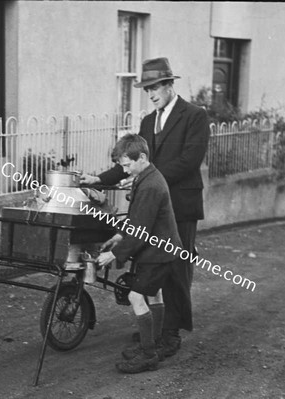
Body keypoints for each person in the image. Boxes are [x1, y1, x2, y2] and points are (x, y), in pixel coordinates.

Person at [83, 57, 210, 357]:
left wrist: (150, 180)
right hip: (151, 204)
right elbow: (133, 161)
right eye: (147, 89)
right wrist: (99, 179)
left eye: (155, 88)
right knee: (149, 265)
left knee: (176, 270)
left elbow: (189, 161)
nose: (151, 94)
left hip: (181, 206)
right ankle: (152, 325)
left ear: (169, 85)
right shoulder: (148, 121)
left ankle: (171, 334)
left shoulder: (195, 116)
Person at [95, 134, 183, 374]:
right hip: (161, 250)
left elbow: (141, 231)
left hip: (158, 252)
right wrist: (117, 236)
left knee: (136, 297)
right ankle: (153, 344)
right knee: (154, 296)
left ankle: (148, 354)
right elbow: (136, 220)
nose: (124, 170)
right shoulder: (146, 177)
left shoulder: (151, 185)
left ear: (141, 157)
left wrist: (113, 255)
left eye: (127, 165)